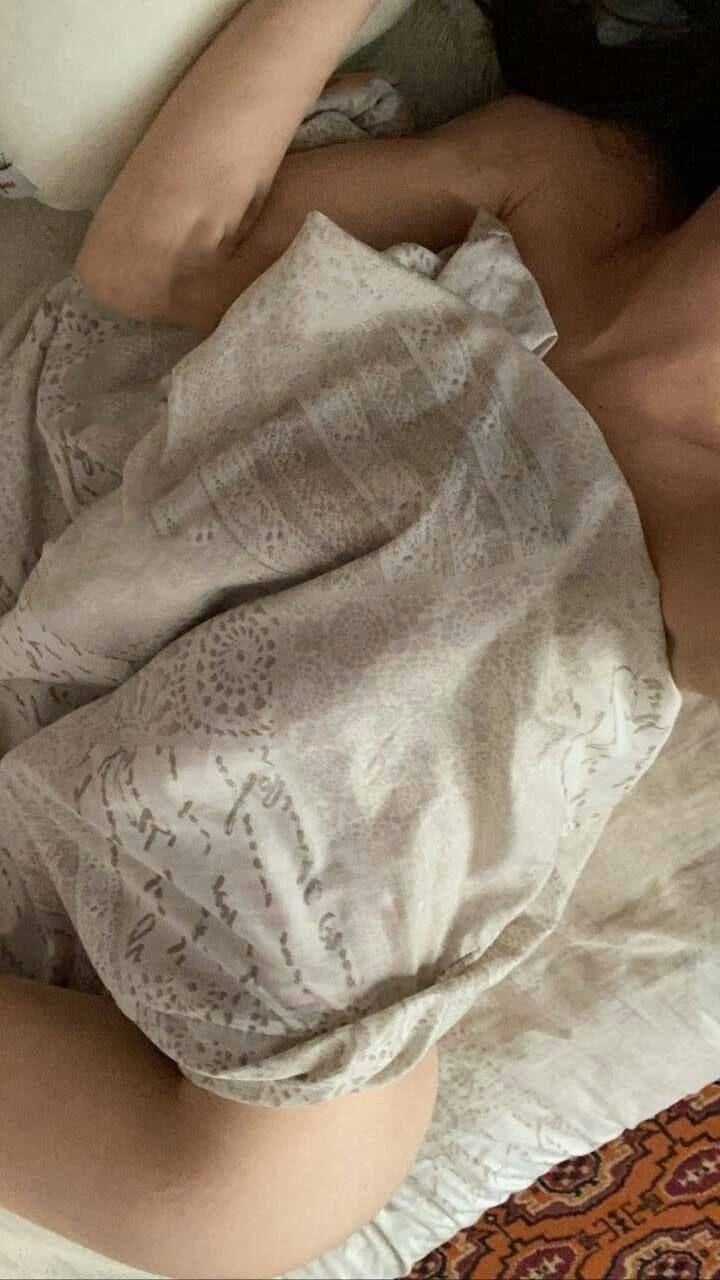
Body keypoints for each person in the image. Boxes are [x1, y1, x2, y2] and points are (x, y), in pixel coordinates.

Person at [0, 2, 717, 1277]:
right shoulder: (567, 170)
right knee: (262, 1188)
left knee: (265, 1196)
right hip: (173, 535)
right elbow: (157, 266)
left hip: (366, 770)